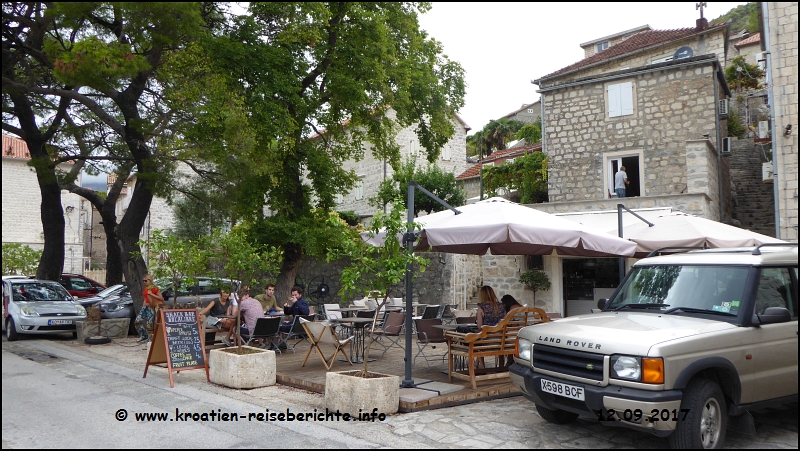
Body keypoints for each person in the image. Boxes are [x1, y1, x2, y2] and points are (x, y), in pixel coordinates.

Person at [476, 286, 506, 369]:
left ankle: (482, 367)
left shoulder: (481, 307)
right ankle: (477, 364)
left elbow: (479, 326)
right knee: (479, 341)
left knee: (475, 342)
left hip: (487, 341)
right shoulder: (502, 306)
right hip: (501, 340)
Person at [134, 274, 164, 343]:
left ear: (150, 280)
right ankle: (143, 335)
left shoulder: (154, 288)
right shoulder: (146, 288)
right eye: (143, 281)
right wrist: (143, 305)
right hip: (145, 307)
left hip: (151, 307)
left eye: (145, 281)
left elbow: (161, 298)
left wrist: (151, 294)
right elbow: (145, 298)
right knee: (137, 321)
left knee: (149, 324)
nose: (144, 282)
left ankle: (150, 339)